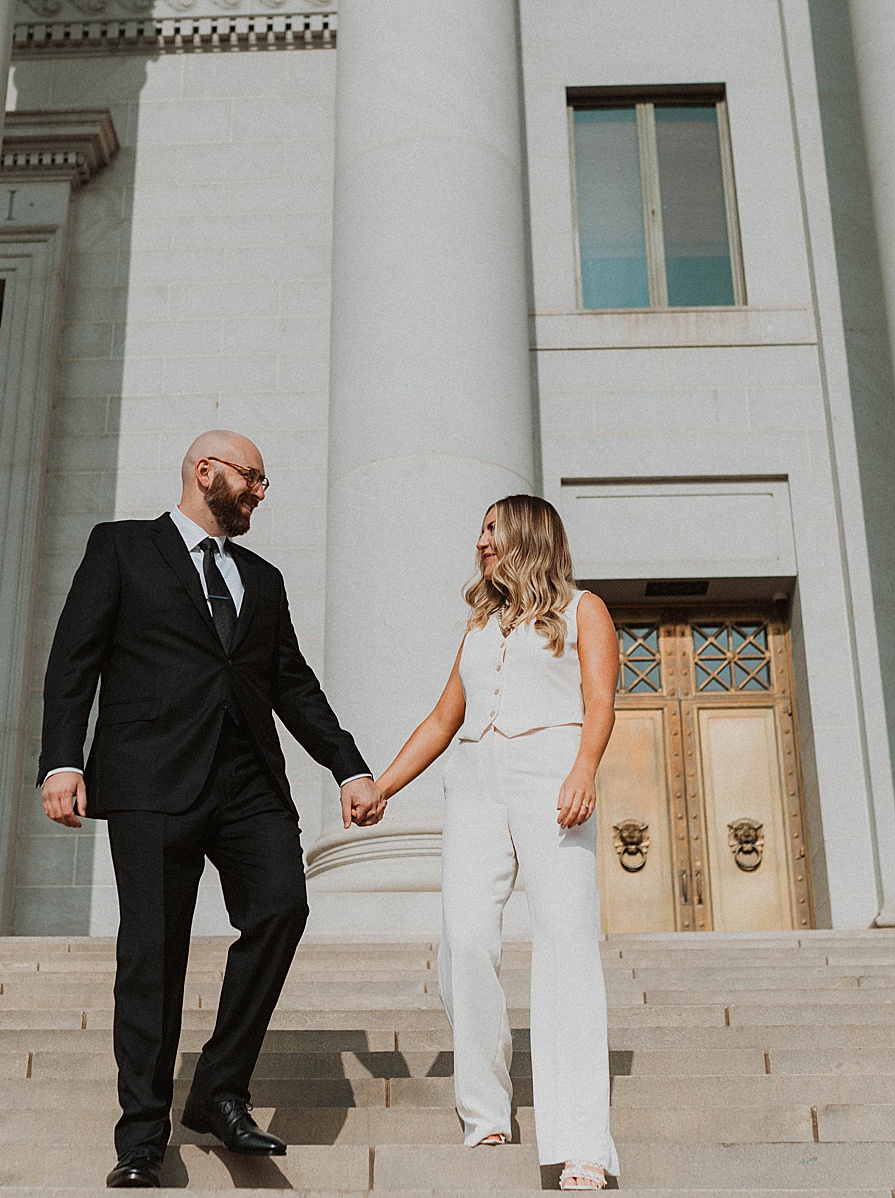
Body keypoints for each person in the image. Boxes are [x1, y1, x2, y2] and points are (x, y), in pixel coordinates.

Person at [38, 430, 384, 1189]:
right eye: (253, 478)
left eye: (263, 482)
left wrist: (348, 766)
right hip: (150, 779)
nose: (261, 493)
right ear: (207, 471)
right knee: (152, 954)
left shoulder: (262, 577)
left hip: (249, 783)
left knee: (281, 909)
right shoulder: (122, 548)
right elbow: (75, 659)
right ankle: (141, 1138)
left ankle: (219, 1087)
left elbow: (292, 682)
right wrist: (63, 760)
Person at [374, 494, 620, 1192]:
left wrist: (583, 769)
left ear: (527, 537)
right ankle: (485, 1112)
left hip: (553, 774)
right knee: (467, 939)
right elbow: (442, 718)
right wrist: (383, 786)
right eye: (480, 530)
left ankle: (582, 1143)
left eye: (492, 529)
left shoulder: (583, 610)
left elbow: (601, 699)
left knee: (566, 939)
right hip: (475, 781)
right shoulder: (478, 629)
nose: (480, 541)